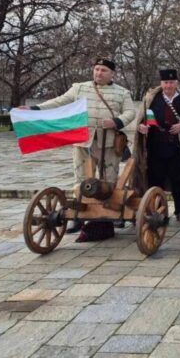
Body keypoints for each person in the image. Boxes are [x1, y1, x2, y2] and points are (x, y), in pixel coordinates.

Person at [22, 57, 136, 238]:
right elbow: (59, 101)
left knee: (109, 179)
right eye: (97, 69)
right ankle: (79, 216)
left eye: (104, 70)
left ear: (112, 74)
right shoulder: (79, 88)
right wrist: (35, 109)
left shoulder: (122, 92)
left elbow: (130, 112)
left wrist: (115, 121)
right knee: (82, 179)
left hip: (109, 143)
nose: (99, 73)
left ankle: (112, 214)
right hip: (83, 142)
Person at [134, 69, 180, 223]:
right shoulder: (150, 99)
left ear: (177, 83)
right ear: (161, 83)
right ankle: (158, 212)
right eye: (165, 82)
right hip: (155, 147)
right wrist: (141, 128)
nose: (168, 85)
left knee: (179, 181)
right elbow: (141, 121)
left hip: (177, 148)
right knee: (155, 181)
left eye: (171, 82)